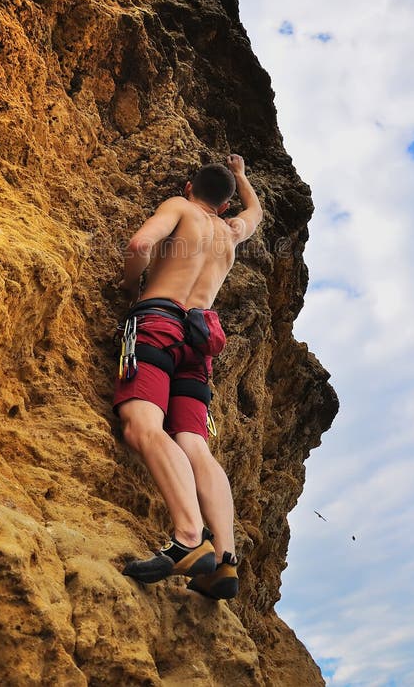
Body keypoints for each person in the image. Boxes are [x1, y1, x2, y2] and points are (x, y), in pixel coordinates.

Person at [113, 154, 263, 599]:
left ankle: (188, 539)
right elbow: (254, 213)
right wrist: (242, 176)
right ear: (225, 203)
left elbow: (140, 246)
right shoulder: (231, 231)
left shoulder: (180, 209)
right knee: (195, 444)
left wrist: (129, 286)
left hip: (159, 323)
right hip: (201, 341)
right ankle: (225, 561)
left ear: (188, 188)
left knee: (143, 426)